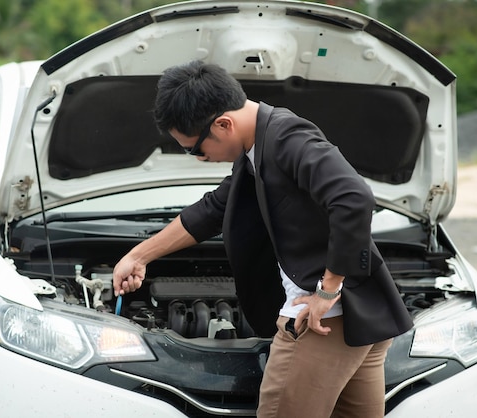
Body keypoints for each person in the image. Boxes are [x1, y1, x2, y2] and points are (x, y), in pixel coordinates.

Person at [112, 60, 413, 418]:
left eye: (194, 148)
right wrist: (140, 255)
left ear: (223, 124)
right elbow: (213, 209)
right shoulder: (259, 147)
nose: (198, 158)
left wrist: (328, 290)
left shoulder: (287, 138)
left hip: (322, 321)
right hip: (360, 318)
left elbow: (353, 197)